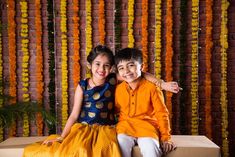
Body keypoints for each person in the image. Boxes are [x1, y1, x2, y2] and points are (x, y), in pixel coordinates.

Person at [23, 45, 178, 157]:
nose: (101, 69)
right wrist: (62, 136)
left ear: (111, 68)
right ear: (90, 65)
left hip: (107, 128)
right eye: (97, 64)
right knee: (78, 151)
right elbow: (74, 115)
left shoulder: (113, 80)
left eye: (106, 66)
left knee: (111, 148)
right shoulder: (83, 86)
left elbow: (140, 73)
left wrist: (161, 83)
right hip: (85, 128)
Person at [114, 48, 176, 157]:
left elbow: (161, 113)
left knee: (151, 149)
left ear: (141, 67)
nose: (126, 71)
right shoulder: (118, 89)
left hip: (147, 128)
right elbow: (114, 110)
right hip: (124, 128)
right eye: (121, 68)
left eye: (131, 65)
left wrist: (166, 138)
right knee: (119, 147)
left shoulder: (152, 88)